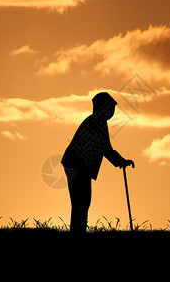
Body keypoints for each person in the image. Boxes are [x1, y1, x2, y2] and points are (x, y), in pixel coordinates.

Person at [61, 92, 134, 235]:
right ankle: (77, 233)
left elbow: (106, 149)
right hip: (77, 165)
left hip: (79, 166)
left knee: (82, 201)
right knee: (81, 201)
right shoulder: (95, 122)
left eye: (112, 109)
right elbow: (106, 149)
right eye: (109, 108)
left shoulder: (98, 122)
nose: (111, 112)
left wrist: (121, 161)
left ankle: (78, 232)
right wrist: (120, 161)